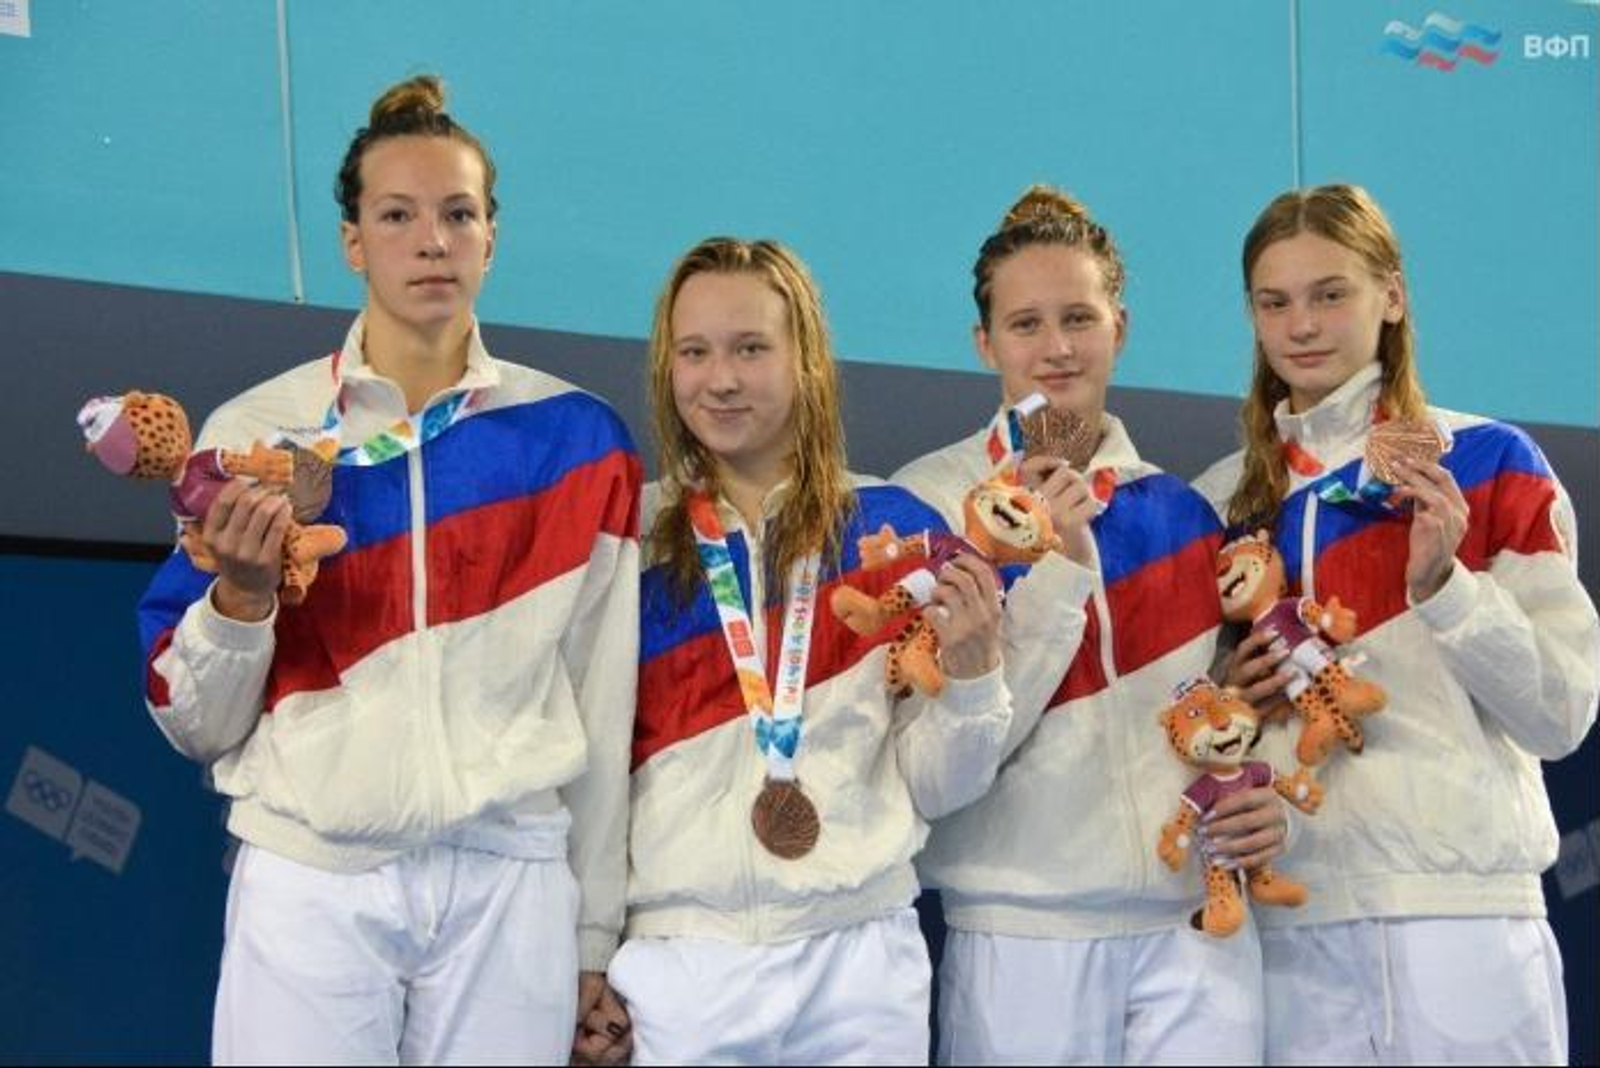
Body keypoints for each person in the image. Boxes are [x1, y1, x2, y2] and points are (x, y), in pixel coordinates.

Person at [135, 74, 641, 1065]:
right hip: (313, 867)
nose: (432, 241)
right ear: (352, 242)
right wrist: (240, 601)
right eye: (397, 215)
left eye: (458, 214)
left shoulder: (578, 442)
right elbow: (193, 721)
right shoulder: (254, 432)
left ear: (491, 237)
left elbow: (605, 694)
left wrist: (594, 936)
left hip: (511, 876)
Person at [593, 236, 1073, 1066]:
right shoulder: (630, 540)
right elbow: (593, 773)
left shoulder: (895, 531)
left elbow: (938, 788)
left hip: (862, 961)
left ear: (807, 360)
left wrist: (971, 676)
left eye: (751, 348)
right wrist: (588, 947)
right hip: (684, 961)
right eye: (695, 352)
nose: (721, 379)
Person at [1194, 182, 1600, 1064]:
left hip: (1461, 921)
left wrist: (1446, 587)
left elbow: (1561, 714)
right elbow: (1197, 733)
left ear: (1393, 295)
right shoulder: (1221, 502)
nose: (1303, 325)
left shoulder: (1489, 463)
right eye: (1275, 302)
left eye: (1330, 293)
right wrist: (1231, 697)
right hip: (1294, 929)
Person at [895, 185, 1291, 1064]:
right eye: (1026, 324)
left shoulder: (1184, 513)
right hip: (1024, 938)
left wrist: (1269, 796)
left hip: (1197, 932)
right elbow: (932, 772)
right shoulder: (930, 504)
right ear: (984, 342)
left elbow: (1229, 718)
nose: (1058, 348)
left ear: (1120, 326)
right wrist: (1061, 572)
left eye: (1079, 317)